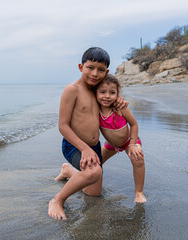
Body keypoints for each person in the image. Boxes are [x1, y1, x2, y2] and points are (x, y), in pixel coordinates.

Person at [48, 47, 127, 221]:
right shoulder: (72, 89)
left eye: (100, 70)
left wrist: (118, 99)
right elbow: (62, 125)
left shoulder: (98, 91)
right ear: (80, 67)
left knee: (93, 194)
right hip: (75, 146)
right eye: (90, 67)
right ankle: (57, 200)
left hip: (94, 147)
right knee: (94, 173)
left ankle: (69, 171)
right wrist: (84, 149)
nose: (94, 73)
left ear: (106, 72)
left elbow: (111, 96)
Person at [95, 74, 146, 203]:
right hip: (111, 144)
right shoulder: (95, 108)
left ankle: (139, 192)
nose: (107, 96)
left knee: (138, 158)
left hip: (129, 141)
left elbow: (134, 124)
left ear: (118, 94)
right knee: (95, 165)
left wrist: (133, 144)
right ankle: (68, 171)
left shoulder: (120, 108)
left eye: (112, 92)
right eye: (102, 92)